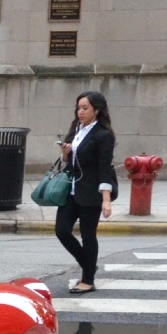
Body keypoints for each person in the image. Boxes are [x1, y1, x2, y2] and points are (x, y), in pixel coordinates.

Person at [55, 90, 116, 294]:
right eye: (78, 108)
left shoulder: (103, 135)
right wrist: (65, 155)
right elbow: (71, 163)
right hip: (71, 191)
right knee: (62, 230)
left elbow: (104, 168)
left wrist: (106, 200)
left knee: (88, 236)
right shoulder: (76, 130)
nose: (80, 112)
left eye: (85, 108)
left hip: (91, 193)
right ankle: (88, 264)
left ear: (96, 110)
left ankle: (87, 280)